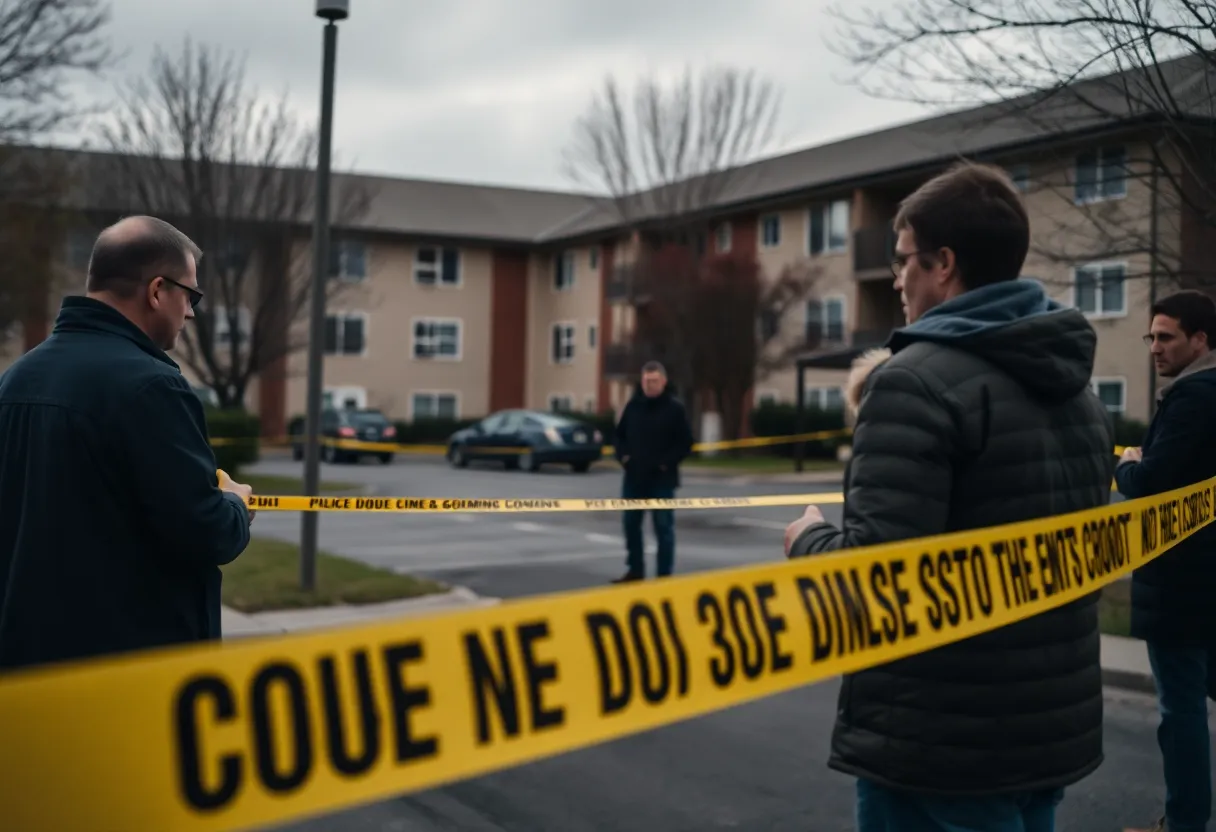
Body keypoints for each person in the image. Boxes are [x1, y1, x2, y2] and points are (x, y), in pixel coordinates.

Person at [782, 162, 1116, 831]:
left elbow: (878, 580)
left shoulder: (912, 384)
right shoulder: (1075, 388)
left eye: (903, 259)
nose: (898, 279)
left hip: (939, 747)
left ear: (943, 265)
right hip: (1043, 733)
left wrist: (807, 541)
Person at [0, 215, 255, 673]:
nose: (192, 312)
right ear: (158, 291)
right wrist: (234, 505)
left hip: (25, 671)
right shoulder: (151, 387)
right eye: (190, 295)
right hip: (126, 676)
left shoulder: (15, 380)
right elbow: (204, 533)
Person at [1116, 290, 1216, 832]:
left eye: (1166, 337)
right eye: (1151, 336)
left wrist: (1127, 465)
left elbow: (1152, 481)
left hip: (1180, 584)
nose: (1154, 347)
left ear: (1200, 340)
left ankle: (1183, 824)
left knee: (1180, 715)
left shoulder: (1193, 396)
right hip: (1208, 579)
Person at [611, 361, 693, 582]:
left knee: (664, 529)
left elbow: (686, 443)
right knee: (631, 526)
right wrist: (623, 457)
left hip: (662, 481)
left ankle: (664, 577)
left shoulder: (675, 409)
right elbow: (619, 437)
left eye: (654, 380)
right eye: (647, 380)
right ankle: (635, 571)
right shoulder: (633, 406)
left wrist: (667, 463)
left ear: (663, 382)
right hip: (634, 478)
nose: (650, 385)